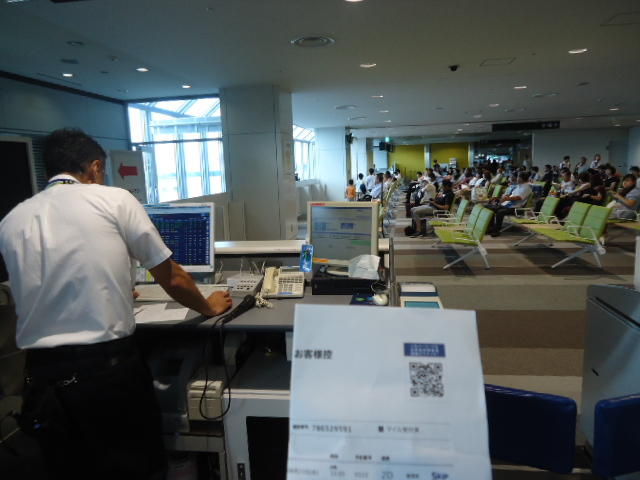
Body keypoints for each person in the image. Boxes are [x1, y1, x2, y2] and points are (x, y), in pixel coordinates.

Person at [0, 129, 233, 479]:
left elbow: (41, 285)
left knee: (68, 470)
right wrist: (209, 306)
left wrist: (114, 288)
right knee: (132, 468)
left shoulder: (13, 219)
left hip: (41, 377)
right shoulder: (114, 199)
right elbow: (171, 277)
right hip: (104, 373)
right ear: (95, 167)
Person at [486, 172, 532, 236]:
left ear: (521, 178)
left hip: (515, 208)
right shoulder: (519, 186)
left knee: (500, 212)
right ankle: (491, 228)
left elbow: (519, 197)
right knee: (489, 207)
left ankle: (496, 230)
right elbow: (512, 195)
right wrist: (503, 198)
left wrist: (507, 198)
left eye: (518, 177)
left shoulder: (526, 188)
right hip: (508, 205)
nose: (517, 178)